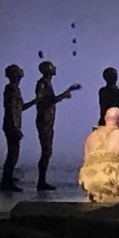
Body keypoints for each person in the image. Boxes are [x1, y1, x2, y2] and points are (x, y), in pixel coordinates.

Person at [34, 60, 80, 191]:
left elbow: (49, 100)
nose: (55, 68)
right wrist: (66, 93)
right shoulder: (42, 84)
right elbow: (45, 100)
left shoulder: (46, 83)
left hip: (47, 121)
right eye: (52, 67)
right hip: (45, 121)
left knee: (47, 151)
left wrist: (67, 92)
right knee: (46, 151)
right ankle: (41, 182)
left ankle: (42, 181)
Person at [0, 64, 36, 192]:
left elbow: (19, 108)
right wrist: (15, 128)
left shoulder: (14, 89)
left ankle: (7, 181)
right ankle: (6, 182)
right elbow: (11, 110)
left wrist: (35, 101)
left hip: (12, 125)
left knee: (13, 155)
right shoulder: (11, 90)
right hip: (11, 126)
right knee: (12, 155)